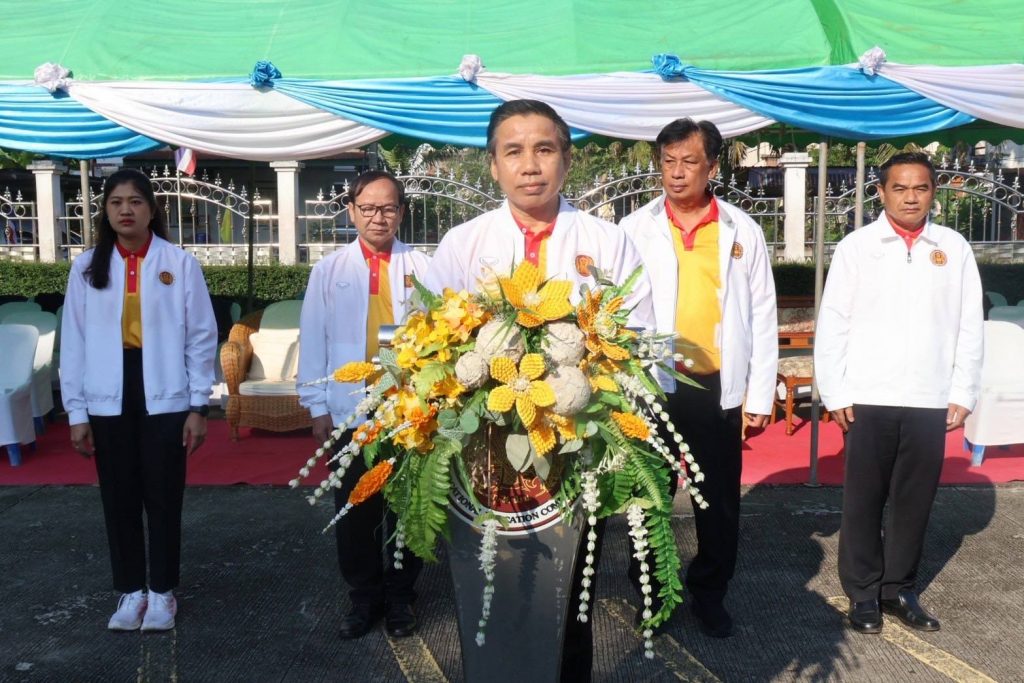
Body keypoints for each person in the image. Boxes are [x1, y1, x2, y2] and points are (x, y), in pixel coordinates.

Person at [424, 99, 654, 683]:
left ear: (567, 161)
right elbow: (427, 341)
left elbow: (640, 343)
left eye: (544, 149)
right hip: (482, 458)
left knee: (570, 597)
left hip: (578, 453)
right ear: (493, 165)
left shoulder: (608, 243)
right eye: (514, 151)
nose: (530, 165)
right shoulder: (462, 244)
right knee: (487, 585)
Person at [620, 118, 778, 638]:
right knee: (648, 497)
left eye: (689, 162)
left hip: (715, 386)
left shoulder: (740, 229)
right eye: (668, 162)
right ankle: (652, 594)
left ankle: (710, 593)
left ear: (712, 166)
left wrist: (759, 394)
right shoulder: (634, 228)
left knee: (718, 502)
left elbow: (762, 313)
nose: (676, 172)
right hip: (653, 385)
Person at [815, 152, 983, 634]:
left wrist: (963, 390)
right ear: (881, 193)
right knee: (864, 499)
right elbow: (834, 322)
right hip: (868, 395)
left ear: (933, 193)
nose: (911, 198)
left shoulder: (952, 248)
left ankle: (899, 589)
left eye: (921, 188)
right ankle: (863, 593)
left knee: (914, 501)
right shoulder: (858, 247)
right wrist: (836, 391)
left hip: (930, 396)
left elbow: (970, 324)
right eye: (900, 188)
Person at [61, 168, 217, 632]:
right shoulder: (86, 267)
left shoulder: (179, 263)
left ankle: (163, 591)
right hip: (108, 395)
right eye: (116, 203)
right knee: (119, 497)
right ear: (105, 211)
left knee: (164, 496)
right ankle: (130, 590)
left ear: (152, 209)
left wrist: (198, 405)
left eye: (135, 201)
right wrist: (76, 412)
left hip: (165, 395)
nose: (125, 210)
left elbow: (201, 337)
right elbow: (73, 343)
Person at [297, 170, 431, 640]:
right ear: (352, 211)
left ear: (401, 212)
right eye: (368, 208)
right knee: (356, 507)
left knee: (408, 505)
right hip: (349, 407)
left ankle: (401, 596)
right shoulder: (329, 271)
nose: (378, 217)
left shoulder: (424, 266)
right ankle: (363, 597)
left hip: (409, 407)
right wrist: (316, 404)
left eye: (388, 208)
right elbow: (314, 338)